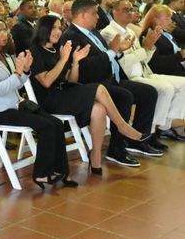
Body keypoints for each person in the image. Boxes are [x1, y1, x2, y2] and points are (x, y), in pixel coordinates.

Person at [31, 15, 151, 174]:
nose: (58, 31)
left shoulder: (59, 48)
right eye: (54, 28)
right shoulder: (34, 49)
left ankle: (95, 156)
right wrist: (63, 60)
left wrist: (75, 62)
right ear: (43, 28)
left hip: (65, 92)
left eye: (60, 28)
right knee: (99, 88)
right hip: (49, 99)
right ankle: (123, 126)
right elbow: (46, 81)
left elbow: (71, 80)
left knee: (99, 109)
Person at [0, 17, 78, 187]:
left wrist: (25, 71)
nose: (5, 34)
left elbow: (19, 82)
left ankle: (61, 171)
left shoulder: (7, 55)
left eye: (5, 30)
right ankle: (41, 173)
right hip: (1, 112)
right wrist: (18, 73)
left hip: (17, 105)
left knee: (56, 123)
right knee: (45, 126)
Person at [60, 0, 159, 166]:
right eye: (94, 13)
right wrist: (113, 51)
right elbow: (84, 69)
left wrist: (119, 51)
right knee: (124, 96)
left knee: (149, 92)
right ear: (83, 15)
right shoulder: (71, 37)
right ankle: (116, 149)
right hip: (92, 85)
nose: (98, 17)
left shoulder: (93, 32)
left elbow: (108, 57)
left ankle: (137, 141)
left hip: (110, 79)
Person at [102, 0, 185, 143]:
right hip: (130, 76)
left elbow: (144, 61)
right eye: (126, 10)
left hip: (144, 72)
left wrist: (149, 47)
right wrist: (145, 48)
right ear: (114, 12)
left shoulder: (129, 31)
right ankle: (150, 132)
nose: (130, 12)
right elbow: (123, 64)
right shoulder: (109, 32)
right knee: (166, 89)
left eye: (132, 9)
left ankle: (163, 125)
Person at [140, 4, 185, 76]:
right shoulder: (149, 34)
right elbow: (155, 63)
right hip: (166, 73)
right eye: (167, 19)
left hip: (176, 67)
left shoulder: (164, 32)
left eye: (170, 18)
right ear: (156, 20)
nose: (170, 21)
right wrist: (180, 55)